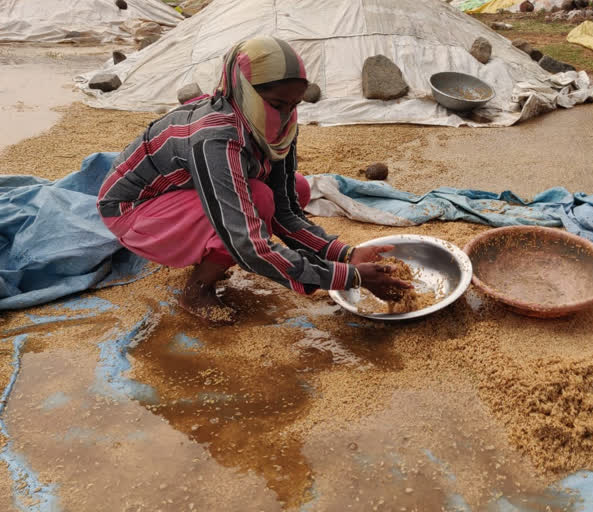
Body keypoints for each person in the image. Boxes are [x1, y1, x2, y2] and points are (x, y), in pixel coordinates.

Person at [97, 36, 410, 322]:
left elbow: (286, 214)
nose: (285, 116)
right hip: (133, 210)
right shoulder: (216, 138)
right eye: (276, 105)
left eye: (294, 105)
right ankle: (198, 288)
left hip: (181, 196)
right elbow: (248, 244)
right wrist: (348, 276)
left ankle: (209, 254)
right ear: (244, 91)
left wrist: (346, 255)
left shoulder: (278, 125)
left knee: (296, 189)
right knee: (258, 200)